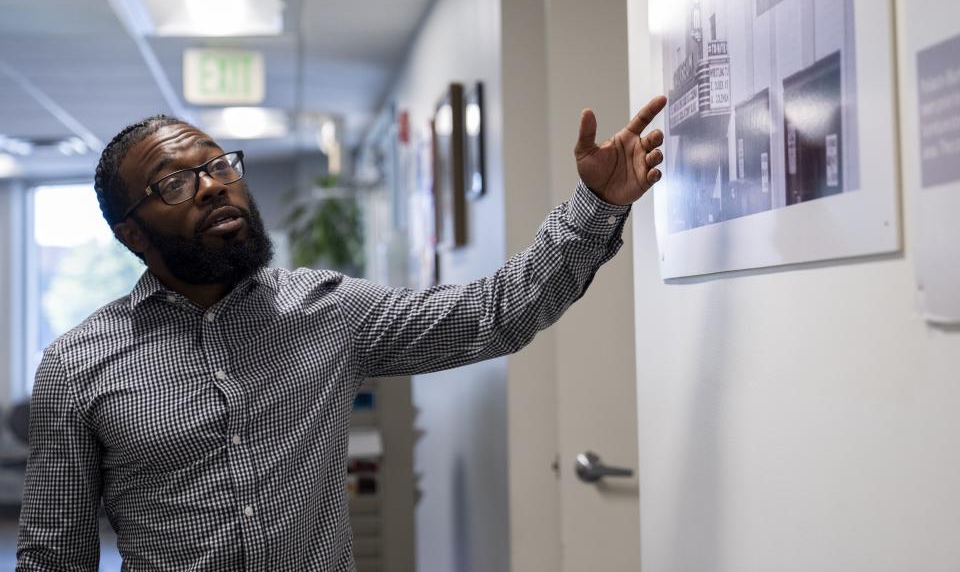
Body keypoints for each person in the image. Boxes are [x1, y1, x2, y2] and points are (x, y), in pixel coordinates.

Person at [15, 96, 667, 571]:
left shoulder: (327, 310)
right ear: (130, 232)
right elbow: (55, 554)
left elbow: (494, 314)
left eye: (220, 166)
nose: (213, 187)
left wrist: (598, 207)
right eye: (176, 183)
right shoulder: (77, 368)